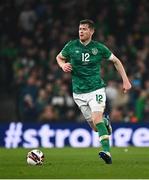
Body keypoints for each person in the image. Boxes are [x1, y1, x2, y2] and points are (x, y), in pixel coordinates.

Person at [56, 19, 131, 164]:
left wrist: (125, 80)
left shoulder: (99, 48)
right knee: (96, 127)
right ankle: (106, 123)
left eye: (84, 29)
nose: (81, 31)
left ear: (91, 31)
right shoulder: (71, 46)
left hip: (96, 89)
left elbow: (116, 61)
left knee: (97, 119)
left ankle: (107, 152)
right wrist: (62, 65)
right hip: (78, 93)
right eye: (79, 29)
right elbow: (59, 57)